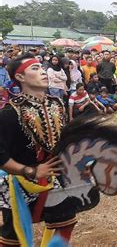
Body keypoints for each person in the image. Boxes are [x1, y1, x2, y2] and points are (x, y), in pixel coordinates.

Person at [0, 53, 77, 245]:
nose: (43, 71)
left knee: (65, 221)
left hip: (55, 176)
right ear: (19, 77)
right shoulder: (9, 113)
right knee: (13, 236)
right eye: (35, 68)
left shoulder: (57, 104)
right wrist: (31, 171)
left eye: (42, 68)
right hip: (19, 181)